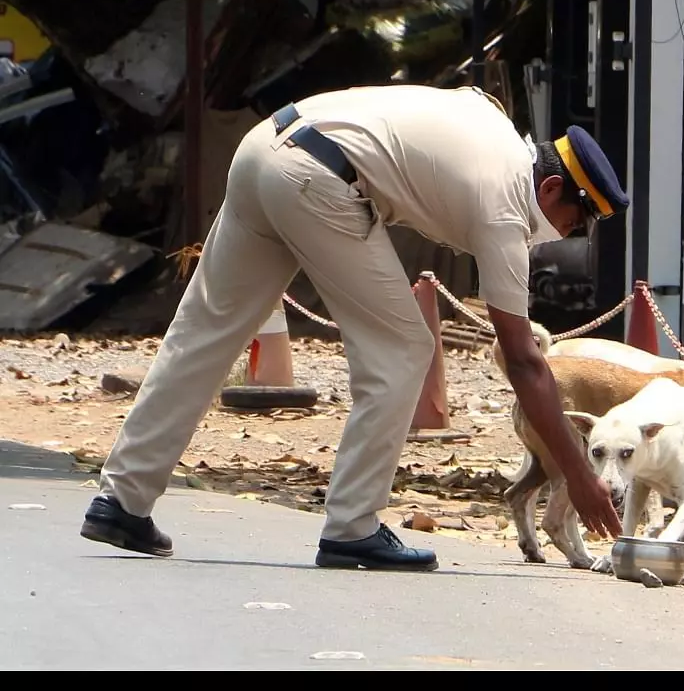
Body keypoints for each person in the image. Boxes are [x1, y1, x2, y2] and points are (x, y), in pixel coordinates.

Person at [79, 83, 627, 570]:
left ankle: (122, 499)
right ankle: (353, 526)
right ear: (549, 189)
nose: (561, 235)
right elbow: (525, 362)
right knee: (404, 349)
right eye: (572, 222)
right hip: (320, 179)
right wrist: (580, 476)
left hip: (265, 147)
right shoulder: (506, 205)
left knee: (205, 330)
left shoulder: (492, 121)